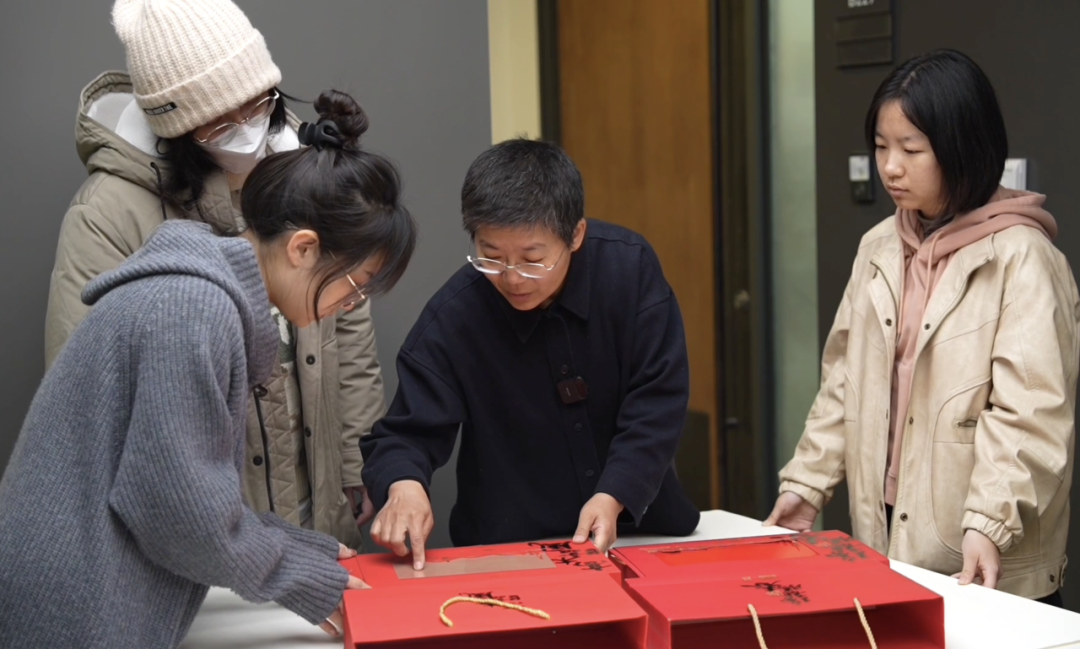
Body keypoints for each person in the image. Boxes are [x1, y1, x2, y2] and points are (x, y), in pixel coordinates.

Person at [0, 89, 418, 648]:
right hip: (76, 605)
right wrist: (306, 578)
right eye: (355, 285)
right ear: (302, 249)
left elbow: (184, 498)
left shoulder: (205, 294)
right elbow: (180, 519)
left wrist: (304, 549)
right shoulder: (194, 309)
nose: (348, 305)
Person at [44, 0, 383, 549]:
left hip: (313, 488)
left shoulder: (308, 168)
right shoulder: (109, 213)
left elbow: (349, 320)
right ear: (177, 132)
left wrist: (354, 459)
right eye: (221, 124)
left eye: (259, 106)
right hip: (210, 526)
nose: (247, 131)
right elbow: (84, 386)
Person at [765, 49, 1079, 606]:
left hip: (985, 552)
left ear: (963, 147)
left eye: (911, 149)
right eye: (882, 147)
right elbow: (843, 382)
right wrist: (807, 486)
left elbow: (1032, 415)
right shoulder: (879, 248)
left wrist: (989, 520)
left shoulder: (1022, 258)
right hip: (887, 536)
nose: (890, 166)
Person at [360, 138, 700, 568]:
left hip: (640, 534)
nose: (512, 278)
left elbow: (658, 397)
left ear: (575, 234)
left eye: (533, 258)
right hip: (511, 550)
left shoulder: (628, 272)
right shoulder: (456, 316)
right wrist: (404, 484)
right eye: (491, 256)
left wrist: (614, 495)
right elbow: (405, 433)